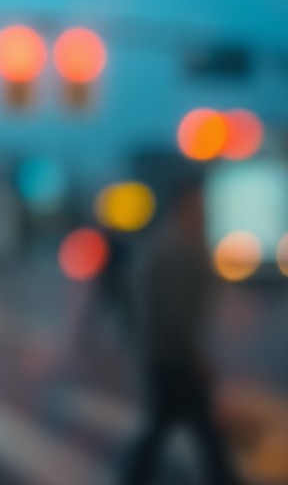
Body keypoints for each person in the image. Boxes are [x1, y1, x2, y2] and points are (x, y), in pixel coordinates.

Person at [119, 181, 240, 485]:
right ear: (183, 207)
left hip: (165, 356)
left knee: (174, 428)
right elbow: (176, 314)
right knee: (197, 431)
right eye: (198, 207)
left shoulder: (173, 243)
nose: (203, 214)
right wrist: (197, 359)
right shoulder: (175, 249)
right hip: (173, 359)